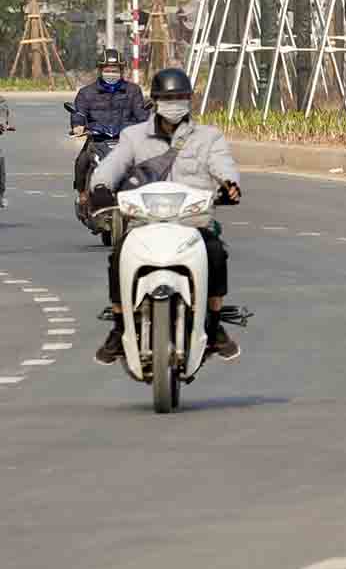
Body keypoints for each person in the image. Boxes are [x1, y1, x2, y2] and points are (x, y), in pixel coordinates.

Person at [87, 67, 241, 365]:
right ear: (155, 101)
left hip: (192, 224)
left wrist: (229, 185)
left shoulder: (208, 137)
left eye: (181, 97)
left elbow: (223, 164)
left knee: (216, 254)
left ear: (190, 101)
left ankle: (214, 323)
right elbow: (113, 164)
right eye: (168, 98)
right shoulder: (133, 137)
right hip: (144, 223)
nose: (175, 103)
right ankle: (119, 328)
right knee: (118, 256)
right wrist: (101, 187)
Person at [69, 49, 149, 205]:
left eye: (115, 70)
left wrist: (148, 125)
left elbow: (142, 114)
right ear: (100, 71)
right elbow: (79, 112)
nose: (111, 73)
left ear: (121, 71)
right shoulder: (86, 93)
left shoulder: (133, 91)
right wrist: (78, 125)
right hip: (97, 140)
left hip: (126, 140)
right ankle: (83, 193)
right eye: (107, 70)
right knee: (81, 162)